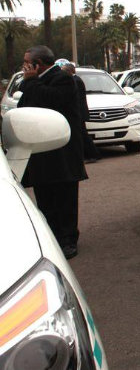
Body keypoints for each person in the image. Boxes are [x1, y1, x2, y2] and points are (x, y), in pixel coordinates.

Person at [18, 46, 87, 259]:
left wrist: (31, 81)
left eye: (27, 63)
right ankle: (52, 238)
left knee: (64, 199)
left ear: (38, 64)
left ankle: (68, 240)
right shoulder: (31, 84)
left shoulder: (63, 79)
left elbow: (50, 100)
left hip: (61, 154)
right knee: (45, 199)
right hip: (40, 152)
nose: (24, 67)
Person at [61, 62, 101, 163]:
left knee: (83, 135)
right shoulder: (74, 80)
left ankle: (92, 155)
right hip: (78, 113)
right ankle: (89, 154)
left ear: (69, 71)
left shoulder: (76, 81)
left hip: (79, 113)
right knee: (81, 135)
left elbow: (77, 99)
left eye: (63, 71)